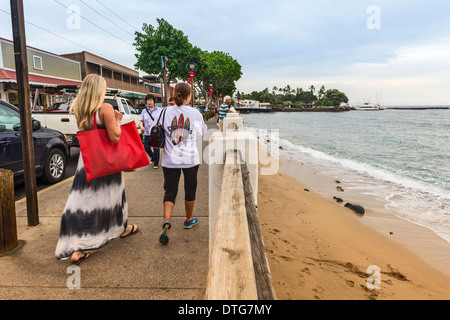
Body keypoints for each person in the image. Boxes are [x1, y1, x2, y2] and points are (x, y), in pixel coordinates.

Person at [55, 74, 139, 265]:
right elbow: (115, 136)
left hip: (87, 162)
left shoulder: (80, 109)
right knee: (114, 197)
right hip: (107, 163)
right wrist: (118, 120)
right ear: (99, 90)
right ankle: (120, 229)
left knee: (86, 200)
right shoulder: (106, 109)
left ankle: (79, 246)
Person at [159, 82, 207, 245]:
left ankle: (167, 220)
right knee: (190, 189)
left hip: (169, 159)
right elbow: (202, 132)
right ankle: (188, 219)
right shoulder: (195, 113)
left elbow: (154, 129)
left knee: (170, 190)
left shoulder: (164, 111)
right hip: (190, 159)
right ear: (188, 97)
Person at [140, 94, 161, 169]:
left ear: (154, 101)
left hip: (155, 132)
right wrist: (142, 127)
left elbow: (161, 120)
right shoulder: (144, 111)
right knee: (146, 147)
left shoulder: (159, 110)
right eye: (148, 100)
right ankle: (152, 156)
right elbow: (141, 120)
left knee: (156, 148)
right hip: (147, 132)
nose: (149, 102)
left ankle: (156, 163)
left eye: (151, 100)